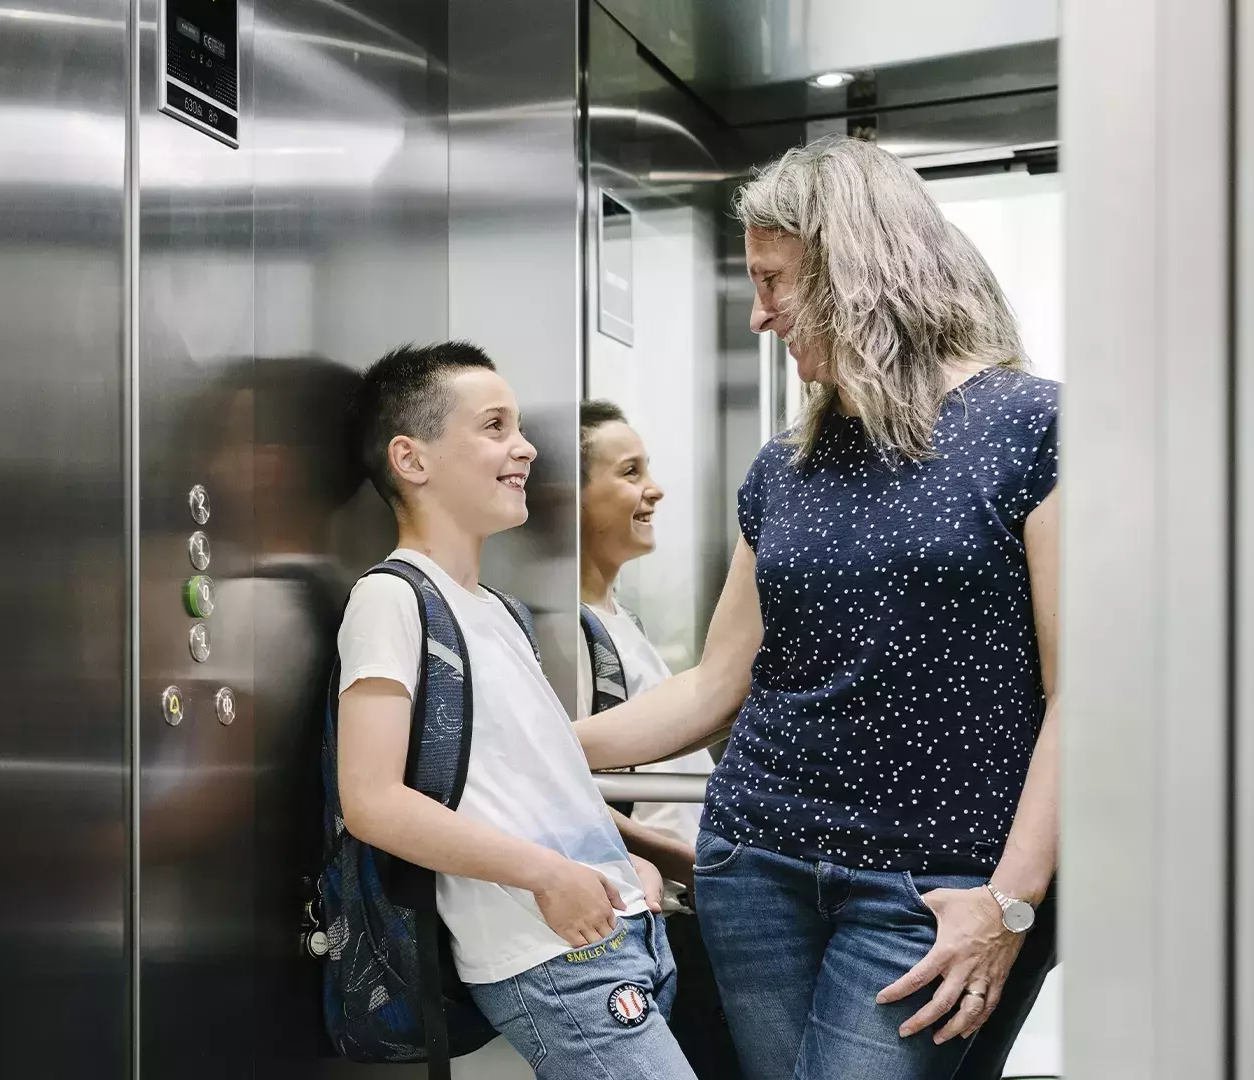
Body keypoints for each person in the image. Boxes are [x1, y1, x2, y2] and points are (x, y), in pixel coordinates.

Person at [573, 135, 1061, 1080]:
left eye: (774, 282)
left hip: (934, 889)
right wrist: (538, 745)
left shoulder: (1035, 429)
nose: (759, 316)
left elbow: (1076, 694)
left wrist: (1012, 902)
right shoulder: (785, 466)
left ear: (855, 273)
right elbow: (719, 682)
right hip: (756, 867)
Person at [335, 342, 696, 1080]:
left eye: (519, 426)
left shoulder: (499, 611)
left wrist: (633, 859)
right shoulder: (392, 597)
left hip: (616, 930)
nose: (524, 447)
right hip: (548, 951)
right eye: (494, 426)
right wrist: (548, 876)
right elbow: (371, 802)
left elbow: (539, 785)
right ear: (412, 459)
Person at [575, 400, 737, 1080]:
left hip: (691, 904)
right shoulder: (572, 633)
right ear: (571, 500)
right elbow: (566, 788)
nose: (655, 489)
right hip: (665, 913)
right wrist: (681, 860)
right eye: (629, 471)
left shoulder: (619, 617)